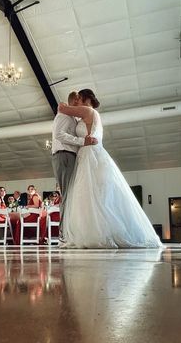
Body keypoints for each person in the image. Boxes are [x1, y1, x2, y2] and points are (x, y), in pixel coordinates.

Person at [57, 89, 162, 248]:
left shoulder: (87, 110)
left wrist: (66, 103)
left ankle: (93, 233)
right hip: (94, 155)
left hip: (89, 155)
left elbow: (62, 108)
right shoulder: (94, 115)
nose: (77, 100)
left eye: (79, 98)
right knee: (98, 197)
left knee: (89, 195)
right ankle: (102, 231)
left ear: (84, 98)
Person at [51, 91, 98, 242]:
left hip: (70, 156)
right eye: (79, 100)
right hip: (64, 155)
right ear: (76, 100)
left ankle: (68, 231)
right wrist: (81, 141)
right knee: (67, 195)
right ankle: (63, 233)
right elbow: (59, 134)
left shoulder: (73, 117)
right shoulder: (64, 115)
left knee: (71, 194)